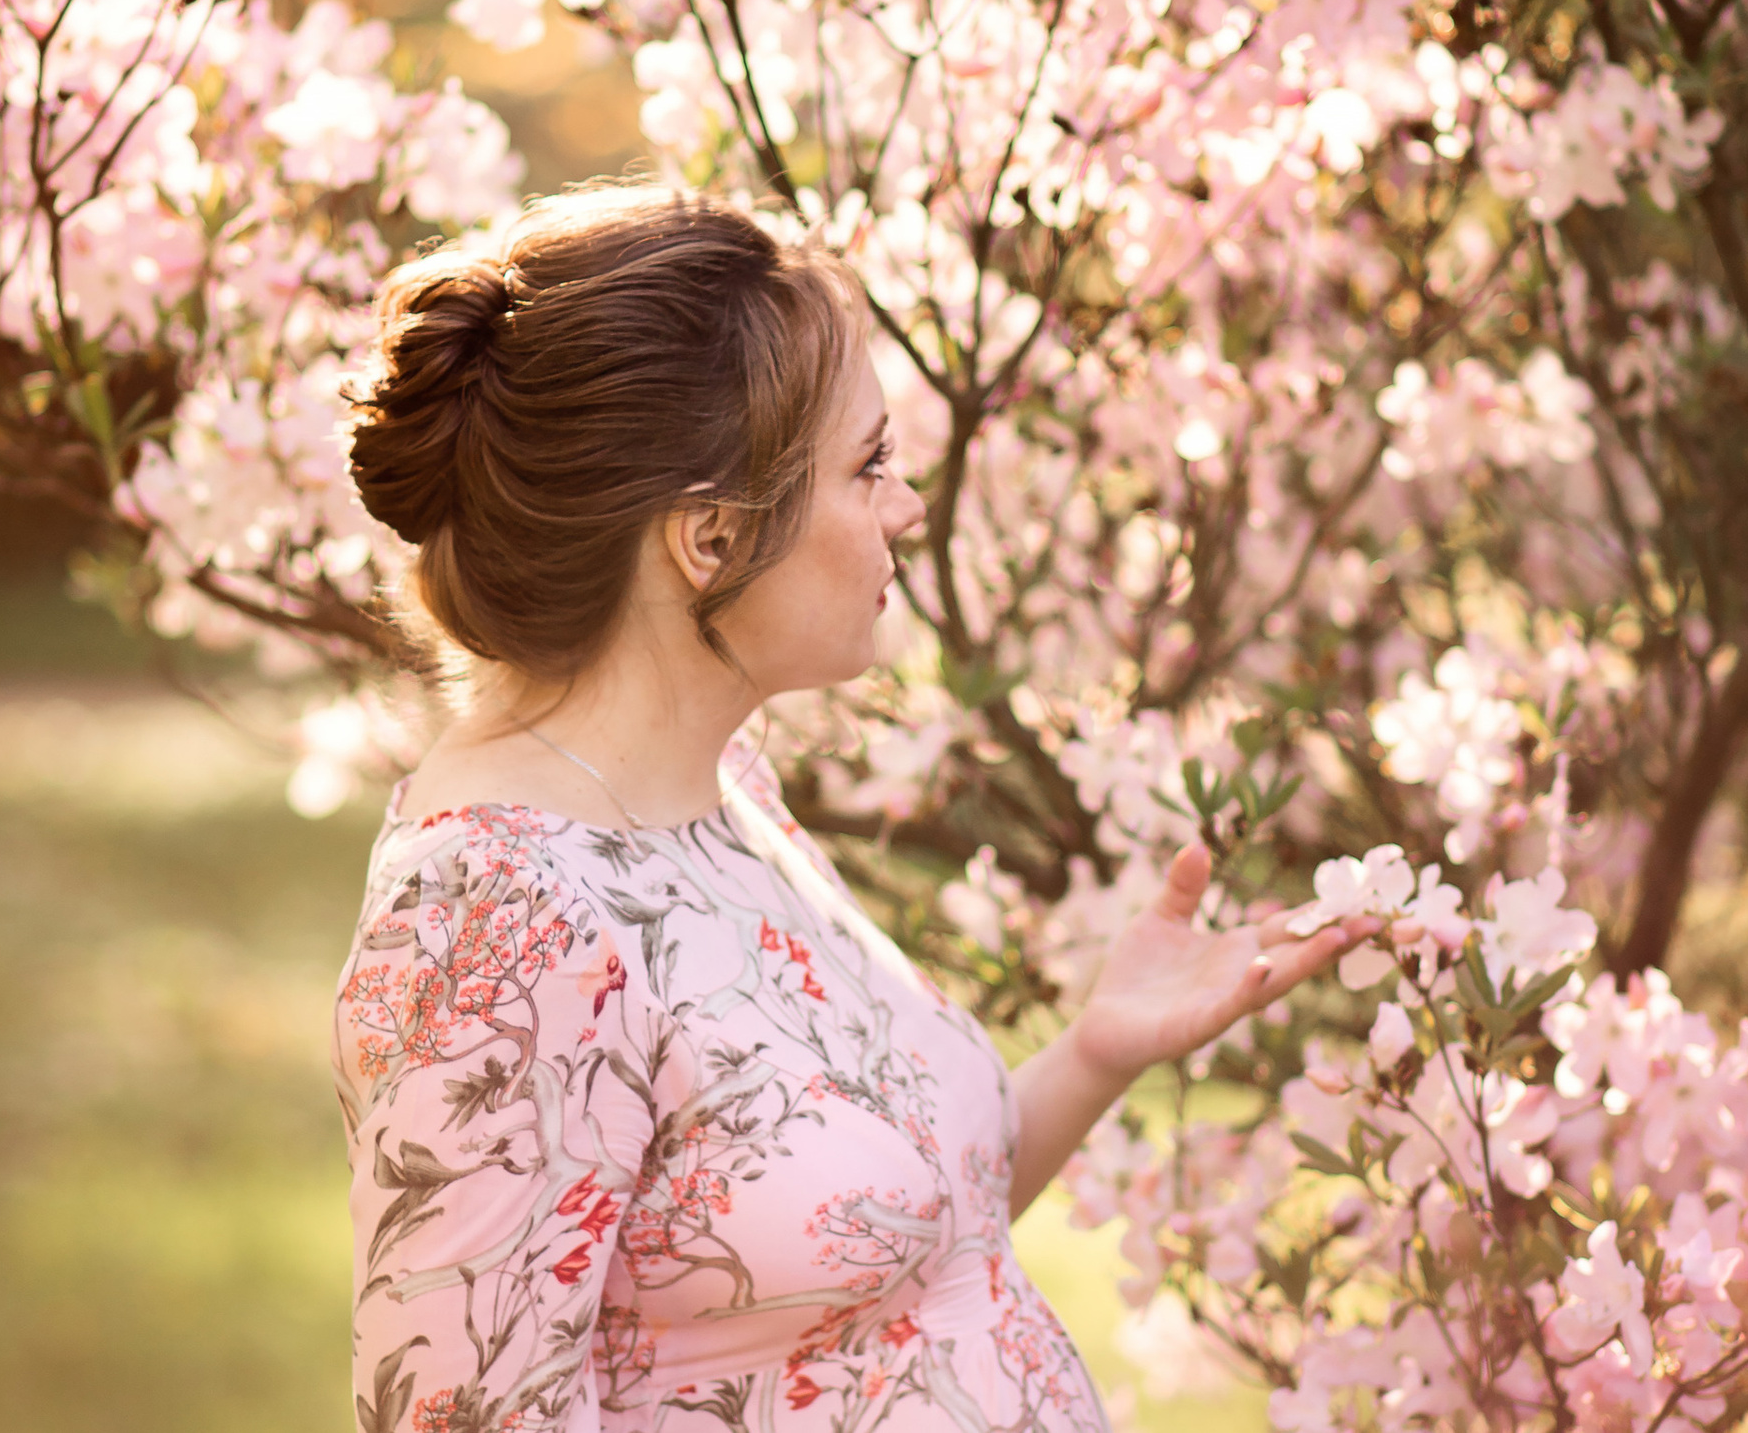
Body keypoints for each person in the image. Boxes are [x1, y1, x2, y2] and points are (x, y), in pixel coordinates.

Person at [332, 187, 1377, 1433]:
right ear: (711, 538)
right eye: (868, 464)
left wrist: (1102, 1046)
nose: (906, 509)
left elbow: (891, 1247)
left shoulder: (720, 794)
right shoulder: (496, 920)